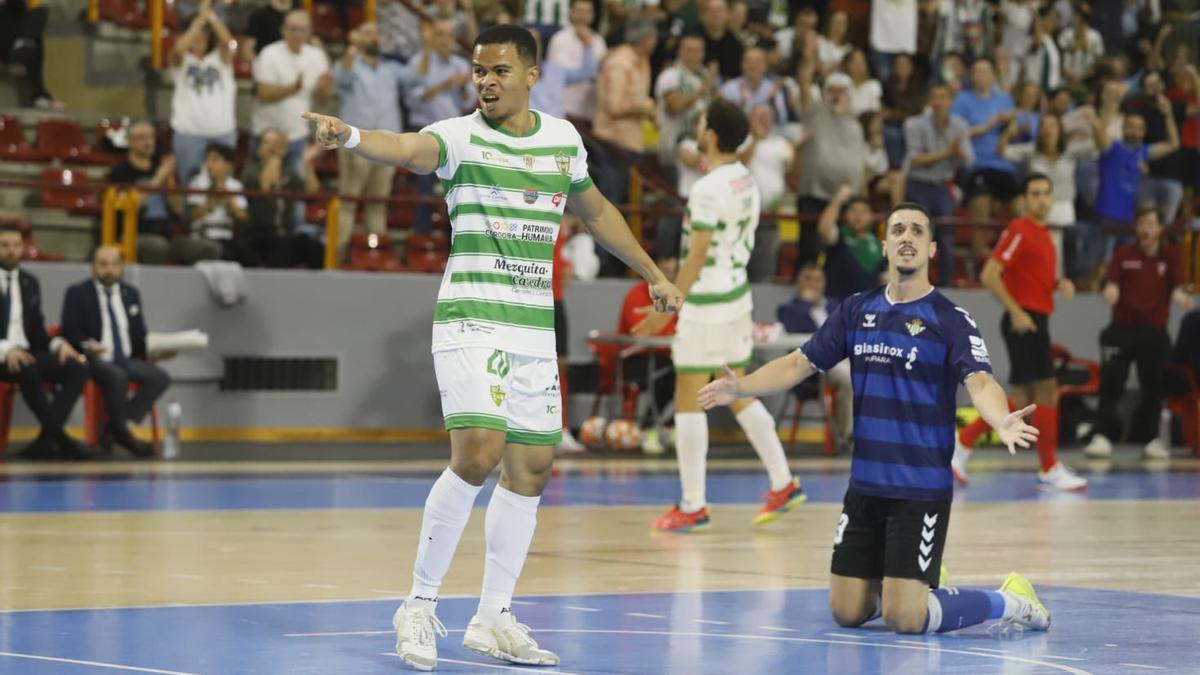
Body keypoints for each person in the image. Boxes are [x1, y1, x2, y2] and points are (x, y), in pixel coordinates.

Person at [302, 24, 683, 670]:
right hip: (471, 319)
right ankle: (418, 603)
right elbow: (408, 148)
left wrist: (652, 271)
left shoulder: (563, 141)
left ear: (532, 75)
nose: (486, 81)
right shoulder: (459, 136)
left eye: (500, 71)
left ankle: (492, 614)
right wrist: (355, 137)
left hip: (532, 328)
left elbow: (595, 213)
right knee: (477, 452)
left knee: (531, 468)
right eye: (479, 70)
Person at [697, 201, 1052, 639]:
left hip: (918, 491)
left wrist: (999, 420)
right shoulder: (855, 311)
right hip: (865, 489)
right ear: (884, 245)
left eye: (917, 231)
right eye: (898, 230)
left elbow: (979, 381)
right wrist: (741, 387)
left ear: (932, 248)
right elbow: (797, 364)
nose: (907, 237)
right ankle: (916, 581)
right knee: (847, 611)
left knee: (906, 619)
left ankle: (1012, 600)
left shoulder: (950, 320)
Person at [632, 99, 803, 534]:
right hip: (736, 296)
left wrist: (666, 305)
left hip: (708, 302)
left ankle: (693, 504)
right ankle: (783, 481)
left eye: (702, 121)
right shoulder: (745, 178)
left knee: (691, 392)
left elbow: (697, 254)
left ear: (709, 135)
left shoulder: (708, 189)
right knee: (736, 388)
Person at [955, 173, 1087, 491]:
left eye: (1046, 193)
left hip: (1035, 319)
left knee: (1028, 398)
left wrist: (1059, 284)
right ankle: (1048, 466)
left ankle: (963, 444)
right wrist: (1016, 312)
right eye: (1035, 193)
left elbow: (1033, 277)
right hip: (1023, 321)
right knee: (1046, 392)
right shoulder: (1019, 230)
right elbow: (990, 274)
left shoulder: (1043, 235)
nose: (1041, 199)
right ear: (1025, 200)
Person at [1084, 208, 1193, 459]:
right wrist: (1110, 291)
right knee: (1111, 383)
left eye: (1151, 224)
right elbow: (1111, 282)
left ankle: (1154, 439)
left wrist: (1181, 298)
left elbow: (1176, 288)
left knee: (1154, 386)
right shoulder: (1123, 254)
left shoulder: (1170, 257)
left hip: (1154, 332)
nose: (1146, 229)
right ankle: (1102, 436)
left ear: (1160, 229)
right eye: (1142, 223)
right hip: (1122, 329)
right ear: (1136, 227)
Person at [61, 247, 170, 459]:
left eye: (114, 264)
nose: (109, 270)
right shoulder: (77, 293)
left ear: (121, 267)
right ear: (93, 267)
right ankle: (122, 432)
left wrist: (156, 352)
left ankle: (114, 430)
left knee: (159, 376)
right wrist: (86, 346)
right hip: (94, 360)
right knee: (116, 375)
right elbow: (69, 331)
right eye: (103, 264)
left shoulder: (131, 294)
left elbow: (140, 335)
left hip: (127, 359)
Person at [0, 224, 95, 460]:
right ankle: (63, 440)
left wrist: (59, 345)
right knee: (27, 365)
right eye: (4, 246)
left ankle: (45, 440)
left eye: (15, 245)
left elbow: (38, 333)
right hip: (4, 356)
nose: (11, 251)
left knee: (78, 367)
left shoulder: (30, 282)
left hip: (29, 352)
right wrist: (6, 348)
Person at [334, 22, 416, 252]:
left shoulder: (391, 68)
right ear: (357, 37)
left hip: (388, 144)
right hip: (355, 142)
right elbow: (342, 78)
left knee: (378, 202)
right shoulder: (351, 64)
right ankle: (338, 251)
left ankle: (376, 253)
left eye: (376, 34)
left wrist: (427, 48)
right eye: (368, 33)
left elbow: (416, 78)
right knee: (349, 200)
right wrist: (351, 49)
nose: (374, 38)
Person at [591, 18, 657, 275]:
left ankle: (619, 264)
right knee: (609, 205)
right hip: (613, 143)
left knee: (625, 207)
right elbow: (615, 107)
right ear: (644, 39)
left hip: (630, 143)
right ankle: (603, 265)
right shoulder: (620, 63)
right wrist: (645, 106)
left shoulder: (641, 60)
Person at [998, 111, 1100, 278]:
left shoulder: (1071, 150)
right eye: (1044, 125)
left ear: (1060, 129)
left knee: (1060, 258)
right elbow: (1002, 152)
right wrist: (1009, 132)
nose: (1048, 129)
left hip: (1063, 208)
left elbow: (1099, 145)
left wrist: (1094, 124)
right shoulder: (1031, 151)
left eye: (1052, 125)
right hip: (1035, 210)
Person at [794, 63, 869, 266]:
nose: (836, 96)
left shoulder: (856, 126)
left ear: (850, 95)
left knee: (840, 255)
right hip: (813, 195)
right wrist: (809, 63)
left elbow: (859, 165)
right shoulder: (815, 115)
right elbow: (804, 89)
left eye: (841, 92)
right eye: (831, 91)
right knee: (808, 252)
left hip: (844, 199)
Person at [903, 82, 974, 287]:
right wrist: (948, 152)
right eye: (935, 97)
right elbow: (913, 160)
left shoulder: (960, 125)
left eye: (943, 97)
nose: (938, 102)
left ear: (950, 101)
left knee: (946, 237)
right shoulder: (914, 124)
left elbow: (969, 159)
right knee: (917, 236)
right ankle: (912, 281)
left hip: (942, 186)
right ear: (929, 101)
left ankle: (945, 284)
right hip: (919, 184)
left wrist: (957, 152)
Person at [775, 262, 853, 450]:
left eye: (818, 279)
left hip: (847, 359)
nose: (814, 284)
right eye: (808, 279)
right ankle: (847, 439)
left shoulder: (836, 306)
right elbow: (795, 329)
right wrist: (804, 303)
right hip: (814, 368)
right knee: (850, 380)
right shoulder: (789, 309)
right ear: (798, 283)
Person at [407, 20, 473, 236]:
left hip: (453, 133)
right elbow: (412, 100)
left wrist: (462, 86)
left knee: (457, 189)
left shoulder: (461, 65)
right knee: (424, 187)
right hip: (424, 130)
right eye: (440, 35)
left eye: (449, 35)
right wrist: (447, 85)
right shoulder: (420, 62)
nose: (445, 40)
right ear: (433, 38)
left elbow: (467, 102)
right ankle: (421, 235)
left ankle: (452, 237)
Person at [251, 9, 332, 171]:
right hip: (267, 135)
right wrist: (293, 88)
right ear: (283, 30)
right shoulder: (269, 53)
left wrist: (322, 89)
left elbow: (322, 100)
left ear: (310, 32)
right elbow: (263, 93)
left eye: (303, 30)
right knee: (262, 189)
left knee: (296, 187)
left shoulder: (317, 56)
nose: (298, 34)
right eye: (293, 29)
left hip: (298, 135)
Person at [169, 0, 237, 186]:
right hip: (188, 135)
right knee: (190, 188)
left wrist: (210, 16)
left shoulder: (220, 59)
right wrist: (198, 22)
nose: (199, 36)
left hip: (222, 133)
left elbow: (228, 42)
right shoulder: (182, 61)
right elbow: (177, 51)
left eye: (204, 33)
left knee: (223, 186)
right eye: (195, 33)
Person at [953, 59, 1019, 245]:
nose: (980, 76)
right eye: (976, 72)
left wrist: (1009, 129)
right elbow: (955, 133)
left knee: (1020, 211)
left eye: (984, 72)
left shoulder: (1004, 99)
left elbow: (1013, 125)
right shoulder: (963, 100)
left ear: (992, 76)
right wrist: (986, 126)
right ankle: (977, 261)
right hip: (976, 164)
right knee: (980, 213)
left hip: (1002, 164)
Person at [239, 130, 324, 269]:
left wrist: (306, 163)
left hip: (287, 233)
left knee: (315, 248)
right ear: (259, 147)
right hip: (258, 234)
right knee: (280, 247)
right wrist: (277, 156)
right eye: (267, 143)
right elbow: (266, 186)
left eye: (276, 143)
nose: (272, 147)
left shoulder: (288, 173)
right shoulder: (251, 170)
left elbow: (312, 192)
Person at [106, 121, 184, 265]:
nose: (148, 142)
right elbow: (133, 206)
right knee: (158, 247)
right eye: (142, 138)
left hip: (166, 233)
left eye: (151, 137)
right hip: (134, 233)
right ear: (129, 141)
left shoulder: (162, 168)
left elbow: (177, 208)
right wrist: (159, 177)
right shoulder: (120, 172)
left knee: (206, 248)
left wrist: (170, 178)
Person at [818, 187, 886, 304]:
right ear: (845, 214)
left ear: (872, 216)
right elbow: (824, 229)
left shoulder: (878, 245)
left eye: (864, 211)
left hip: (866, 309)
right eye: (853, 211)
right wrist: (838, 200)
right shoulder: (840, 235)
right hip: (837, 305)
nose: (858, 215)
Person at [545, 0, 607, 122]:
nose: (583, 16)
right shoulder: (559, 39)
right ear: (571, 13)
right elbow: (558, 76)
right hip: (566, 109)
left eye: (587, 12)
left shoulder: (598, 40)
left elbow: (602, 71)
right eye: (579, 12)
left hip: (591, 110)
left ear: (593, 15)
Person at [185, 143, 246, 261]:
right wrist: (214, 201)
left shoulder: (235, 186)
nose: (209, 164)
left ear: (228, 166)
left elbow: (243, 218)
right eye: (208, 159)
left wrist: (229, 199)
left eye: (215, 160)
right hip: (202, 236)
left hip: (227, 237)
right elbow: (191, 216)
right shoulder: (196, 183)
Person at [0, 0, 64, 109]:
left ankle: (25, 41)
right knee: (32, 41)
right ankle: (39, 95)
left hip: (12, 28)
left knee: (39, 12)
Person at [527, 27, 597, 120]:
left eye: (536, 41)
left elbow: (587, 72)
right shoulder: (514, 74)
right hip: (531, 128)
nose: (533, 45)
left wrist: (586, 46)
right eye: (528, 41)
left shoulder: (555, 69)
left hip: (558, 128)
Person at [718, 46, 787, 120]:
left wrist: (772, 102)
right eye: (749, 61)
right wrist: (742, 105)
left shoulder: (773, 88)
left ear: (765, 65)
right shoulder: (730, 88)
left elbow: (782, 119)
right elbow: (723, 120)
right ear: (742, 64)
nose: (753, 66)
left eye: (758, 61)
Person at [698, 0, 743, 81]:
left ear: (727, 14)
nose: (715, 15)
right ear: (704, 14)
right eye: (712, 11)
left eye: (719, 11)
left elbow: (737, 77)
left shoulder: (735, 44)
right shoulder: (693, 39)